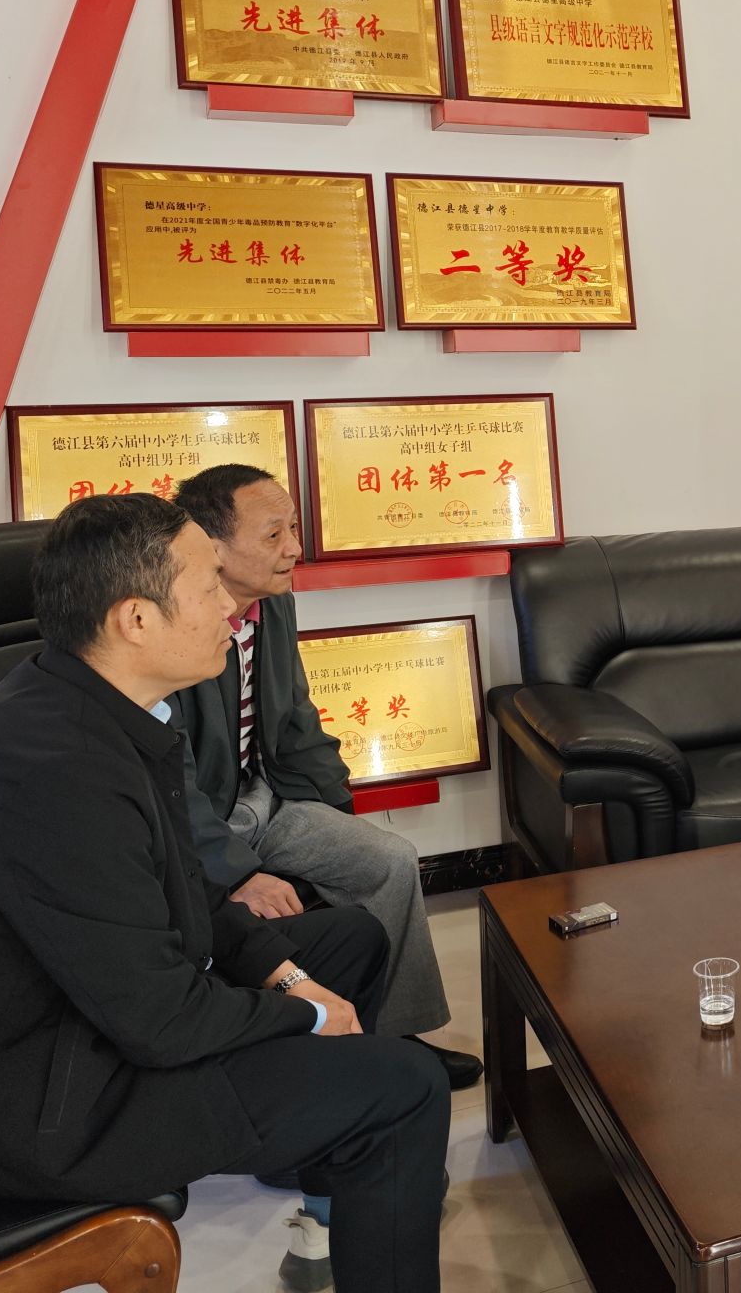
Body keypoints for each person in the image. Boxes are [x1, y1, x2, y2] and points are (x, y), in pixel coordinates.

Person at [0, 495, 450, 1293]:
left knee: (350, 940)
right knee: (405, 1086)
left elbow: (191, 888)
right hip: (47, 1111)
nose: (230, 606)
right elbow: (160, 1021)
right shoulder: (55, 771)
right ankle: (356, 1141)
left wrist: (291, 977)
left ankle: (331, 1190)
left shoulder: (100, 707)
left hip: (90, 1028)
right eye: (208, 585)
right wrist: (310, 1015)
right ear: (135, 620)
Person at [169, 464, 479, 1091]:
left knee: (387, 859)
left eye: (294, 528)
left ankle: (396, 1034)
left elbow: (295, 718)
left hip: (265, 799)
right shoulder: (175, 624)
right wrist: (234, 871)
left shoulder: (274, 603)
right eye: (274, 534)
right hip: (196, 827)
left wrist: (337, 814)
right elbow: (167, 779)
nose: (294, 548)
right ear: (212, 546)